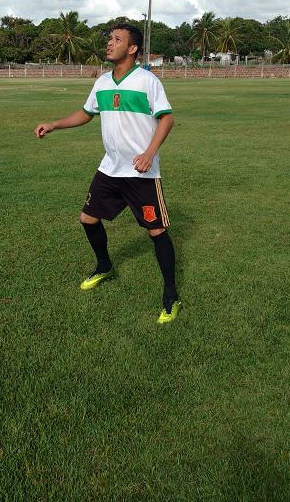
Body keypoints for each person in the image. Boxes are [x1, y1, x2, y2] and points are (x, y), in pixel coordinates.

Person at [35, 23, 181, 324]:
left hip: (141, 173)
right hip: (110, 168)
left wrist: (149, 153)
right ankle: (104, 266)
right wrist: (54, 124)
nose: (109, 43)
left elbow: (167, 119)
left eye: (117, 39)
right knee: (87, 218)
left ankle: (171, 296)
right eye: (109, 38)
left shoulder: (146, 81)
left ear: (133, 48)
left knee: (156, 231)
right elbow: (86, 113)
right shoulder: (102, 82)